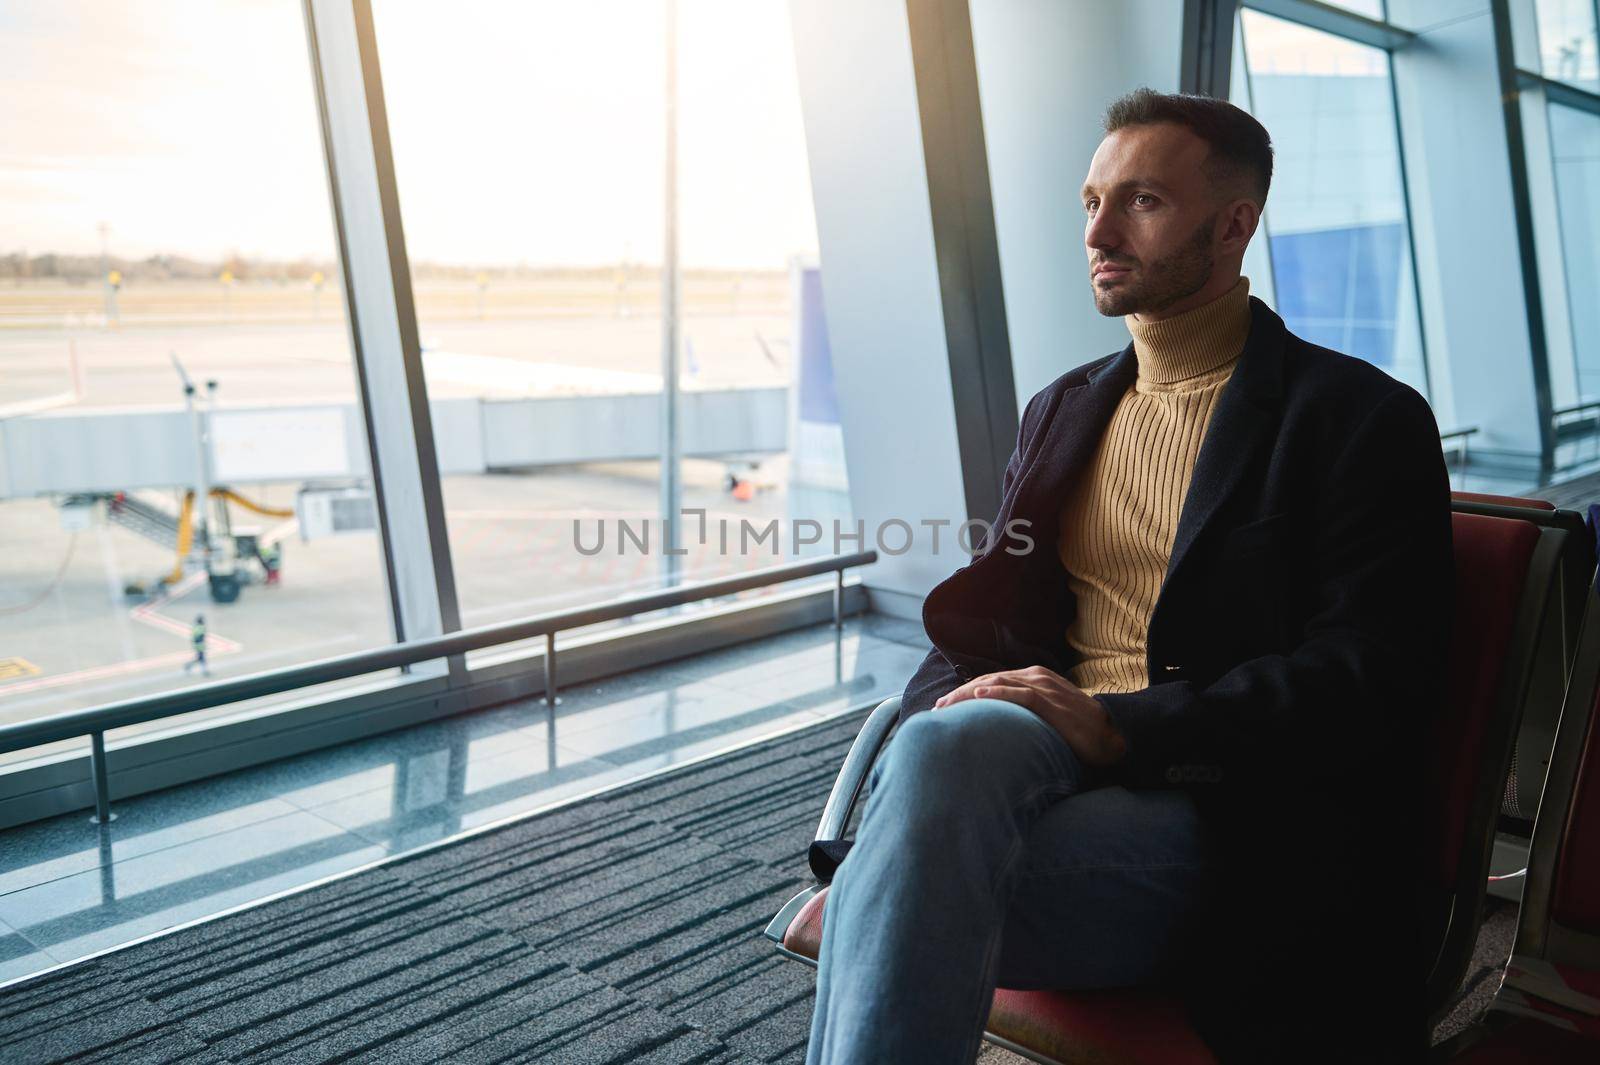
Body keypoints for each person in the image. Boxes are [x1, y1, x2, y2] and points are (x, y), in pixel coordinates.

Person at [805, 88, 1452, 1064]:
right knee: (943, 749)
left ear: (1232, 225)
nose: (1097, 231)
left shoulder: (1355, 418)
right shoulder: (1063, 407)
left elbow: (1375, 673)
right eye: (1089, 200)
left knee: (888, 890)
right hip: (1033, 779)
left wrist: (1122, 727)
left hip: (1231, 822)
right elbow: (986, 627)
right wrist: (952, 709)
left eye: (1140, 201)